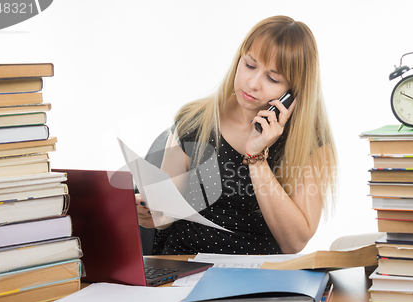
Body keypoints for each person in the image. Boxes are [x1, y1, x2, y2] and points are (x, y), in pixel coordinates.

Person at [136, 15, 337, 255]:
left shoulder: (309, 143)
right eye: (250, 65)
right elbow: (164, 216)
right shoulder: (195, 120)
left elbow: (294, 242)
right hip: (185, 268)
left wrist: (257, 157)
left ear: (293, 93)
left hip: (259, 279)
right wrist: (149, 213)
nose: (252, 83)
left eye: (272, 78)